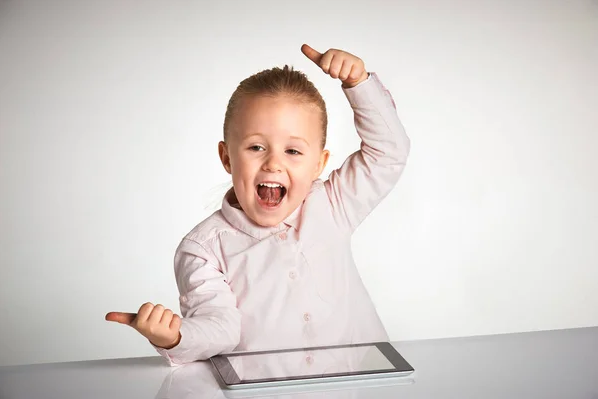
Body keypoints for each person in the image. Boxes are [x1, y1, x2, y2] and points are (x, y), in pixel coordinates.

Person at [106, 44, 411, 366]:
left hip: (358, 384)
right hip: (266, 389)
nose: (273, 164)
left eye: (293, 151)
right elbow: (219, 326)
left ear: (319, 163)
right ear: (227, 157)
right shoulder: (202, 250)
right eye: (256, 147)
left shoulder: (332, 205)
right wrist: (177, 337)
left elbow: (388, 153)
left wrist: (359, 84)